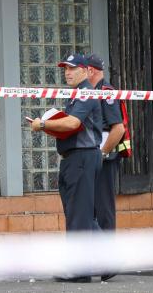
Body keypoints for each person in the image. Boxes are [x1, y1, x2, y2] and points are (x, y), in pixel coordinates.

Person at [30, 53, 102, 284]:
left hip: (82, 157)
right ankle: (111, 257)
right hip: (75, 158)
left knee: (79, 215)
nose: (67, 73)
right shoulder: (75, 95)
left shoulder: (86, 93)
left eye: (72, 68)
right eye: (65, 69)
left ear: (85, 71)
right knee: (79, 213)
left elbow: (73, 123)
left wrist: (43, 124)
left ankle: (79, 270)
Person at [85, 54, 124, 229]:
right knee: (90, 207)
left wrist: (101, 154)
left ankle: (107, 251)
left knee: (103, 207)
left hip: (104, 159)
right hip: (92, 157)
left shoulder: (106, 92)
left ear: (90, 70)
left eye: (79, 69)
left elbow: (118, 129)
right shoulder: (90, 92)